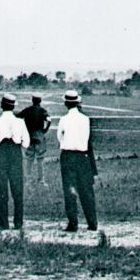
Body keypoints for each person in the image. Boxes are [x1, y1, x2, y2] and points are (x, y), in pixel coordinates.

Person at [0, 93, 31, 229]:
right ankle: (18, 222)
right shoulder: (20, 122)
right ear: (13, 107)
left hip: (0, 155)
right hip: (15, 155)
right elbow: (26, 143)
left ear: (1, 106)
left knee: (2, 190)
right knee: (18, 190)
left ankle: (4, 223)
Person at [57, 90, 98, 232]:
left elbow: (60, 138)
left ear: (65, 103)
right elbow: (86, 139)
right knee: (86, 190)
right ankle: (92, 222)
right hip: (83, 156)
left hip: (68, 156)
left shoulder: (63, 120)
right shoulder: (85, 119)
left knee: (70, 190)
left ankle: (73, 223)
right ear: (77, 102)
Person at [18, 93, 51, 186]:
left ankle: (27, 180)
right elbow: (49, 120)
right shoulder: (43, 110)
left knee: (29, 158)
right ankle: (41, 180)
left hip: (29, 135)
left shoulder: (27, 110)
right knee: (40, 158)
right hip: (39, 134)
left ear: (32, 100)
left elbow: (18, 117)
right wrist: (45, 130)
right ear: (40, 101)